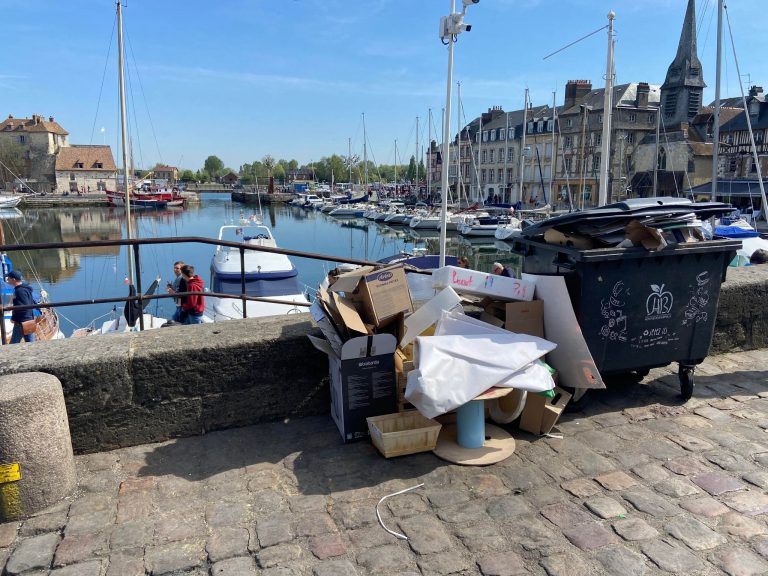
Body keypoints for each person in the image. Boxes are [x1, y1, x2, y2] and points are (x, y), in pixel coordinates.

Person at [5, 270, 36, 343]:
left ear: (14, 280)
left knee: (13, 344)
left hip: (21, 322)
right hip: (28, 320)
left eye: (8, 278)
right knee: (30, 342)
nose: (7, 280)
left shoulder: (20, 291)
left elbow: (23, 307)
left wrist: (14, 318)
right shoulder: (25, 289)